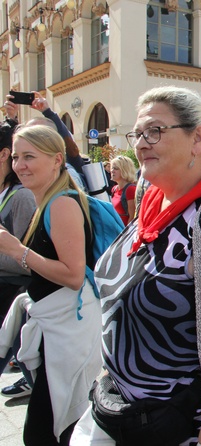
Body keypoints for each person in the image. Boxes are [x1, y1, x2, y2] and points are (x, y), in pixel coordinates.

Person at [70, 86, 201, 445]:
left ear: (197, 138)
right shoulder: (152, 205)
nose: (140, 143)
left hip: (182, 427)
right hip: (120, 413)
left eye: (154, 131)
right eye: (137, 133)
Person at [0, 125, 102, 445]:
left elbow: (73, 275)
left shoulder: (61, 203)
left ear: (57, 160)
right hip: (58, 330)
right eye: (16, 157)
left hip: (69, 332)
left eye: (29, 157)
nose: (20, 165)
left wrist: (17, 250)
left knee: (48, 431)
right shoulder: (47, 200)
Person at [0, 119, 36, 399]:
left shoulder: (21, 197)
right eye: (16, 157)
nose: (19, 164)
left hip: (11, 295)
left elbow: (28, 261)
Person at [109, 155, 137, 225]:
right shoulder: (114, 189)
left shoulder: (130, 189)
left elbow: (132, 217)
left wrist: (125, 235)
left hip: (124, 232)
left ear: (125, 170)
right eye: (112, 168)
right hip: (115, 230)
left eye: (116, 168)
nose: (112, 171)